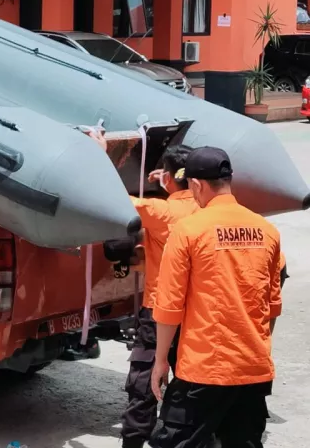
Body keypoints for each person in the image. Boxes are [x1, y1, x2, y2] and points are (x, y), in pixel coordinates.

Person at [150, 147, 282, 448]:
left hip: (204, 369)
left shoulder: (188, 231)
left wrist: (160, 361)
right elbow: (271, 306)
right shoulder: (267, 230)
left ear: (196, 185)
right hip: (253, 368)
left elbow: (170, 307)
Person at [118, 145, 199, 448]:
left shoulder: (159, 211)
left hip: (159, 310)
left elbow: (113, 200)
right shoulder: (207, 210)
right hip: (198, 313)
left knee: (145, 379)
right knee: (191, 380)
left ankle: (135, 439)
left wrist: (101, 153)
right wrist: (168, 183)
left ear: (170, 177)